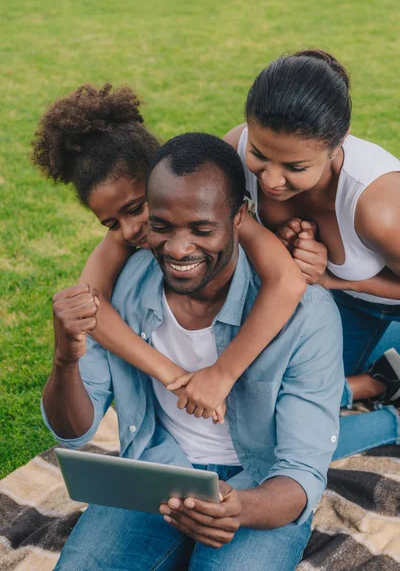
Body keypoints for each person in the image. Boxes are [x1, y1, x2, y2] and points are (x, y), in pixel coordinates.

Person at [42, 132, 344, 570]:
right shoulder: (120, 288)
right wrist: (65, 361)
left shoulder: (306, 315)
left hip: (259, 483)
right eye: (161, 227)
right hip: (156, 473)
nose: (179, 248)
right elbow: (73, 431)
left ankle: (383, 411)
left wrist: (241, 507)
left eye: (201, 229)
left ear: (239, 216)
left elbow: (300, 472)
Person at [32, 83, 305, 423]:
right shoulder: (127, 236)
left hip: (267, 340)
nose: (130, 230)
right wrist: (171, 375)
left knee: (285, 395)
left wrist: (223, 372)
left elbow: (287, 282)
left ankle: (357, 389)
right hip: (189, 369)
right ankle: (360, 386)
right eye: (111, 223)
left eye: (135, 208)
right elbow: (90, 307)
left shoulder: (218, 211)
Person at [224, 49, 400, 457]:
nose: (269, 180)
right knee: (264, 408)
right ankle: (372, 383)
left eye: (294, 167)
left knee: (291, 435)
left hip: (375, 298)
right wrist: (276, 244)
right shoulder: (235, 148)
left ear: (337, 145)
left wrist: (333, 278)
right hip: (341, 306)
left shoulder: (379, 208)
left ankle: (391, 419)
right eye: (261, 155)